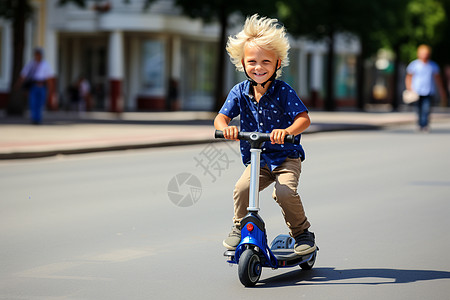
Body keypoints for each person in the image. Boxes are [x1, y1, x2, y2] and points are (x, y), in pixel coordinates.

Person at [213, 14, 316, 256]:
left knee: (283, 192)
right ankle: (239, 227)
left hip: (285, 157)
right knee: (241, 189)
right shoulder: (239, 92)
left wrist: (287, 131)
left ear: (278, 64)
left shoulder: (283, 91)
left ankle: (302, 233)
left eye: (266, 62)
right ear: (243, 63)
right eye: (252, 62)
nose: (258, 67)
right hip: (257, 158)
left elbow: (304, 119)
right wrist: (225, 126)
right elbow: (221, 117)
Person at [405, 44, 447, 132]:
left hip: (428, 91)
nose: (425, 55)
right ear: (419, 54)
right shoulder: (414, 64)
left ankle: (425, 125)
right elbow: (409, 77)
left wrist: (441, 91)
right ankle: (420, 124)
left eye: (426, 53)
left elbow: (438, 79)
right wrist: (409, 88)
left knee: (426, 109)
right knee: (418, 109)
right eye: (423, 53)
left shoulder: (433, 65)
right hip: (416, 91)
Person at [17, 47, 54, 124]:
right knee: (33, 103)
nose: (38, 56)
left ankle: (38, 118)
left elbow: (49, 78)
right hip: (33, 86)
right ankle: (34, 119)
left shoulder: (45, 65)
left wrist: (51, 89)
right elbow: (23, 75)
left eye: (39, 54)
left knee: (40, 103)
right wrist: (19, 84)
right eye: (36, 54)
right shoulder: (31, 64)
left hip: (42, 86)